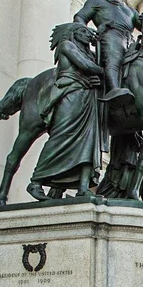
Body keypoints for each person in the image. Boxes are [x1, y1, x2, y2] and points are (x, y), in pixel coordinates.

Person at [29, 23, 103, 200]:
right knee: (61, 136)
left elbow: (95, 64)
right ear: (72, 33)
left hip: (87, 98)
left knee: (90, 141)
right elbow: (86, 66)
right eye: (83, 31)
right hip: (70, 93)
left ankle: (83, 187)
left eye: (88, 32)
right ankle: (35, 182)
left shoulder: (90, 53)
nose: (88, 35)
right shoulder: (67, 45)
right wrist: (104, 70)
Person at [73, 0, 143, 105]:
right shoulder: (96, 2)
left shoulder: (129, 10)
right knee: (114, 56)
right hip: (110, 35)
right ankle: (114, 89)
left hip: (129, 41)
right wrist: (88, 33)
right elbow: (80, 17)